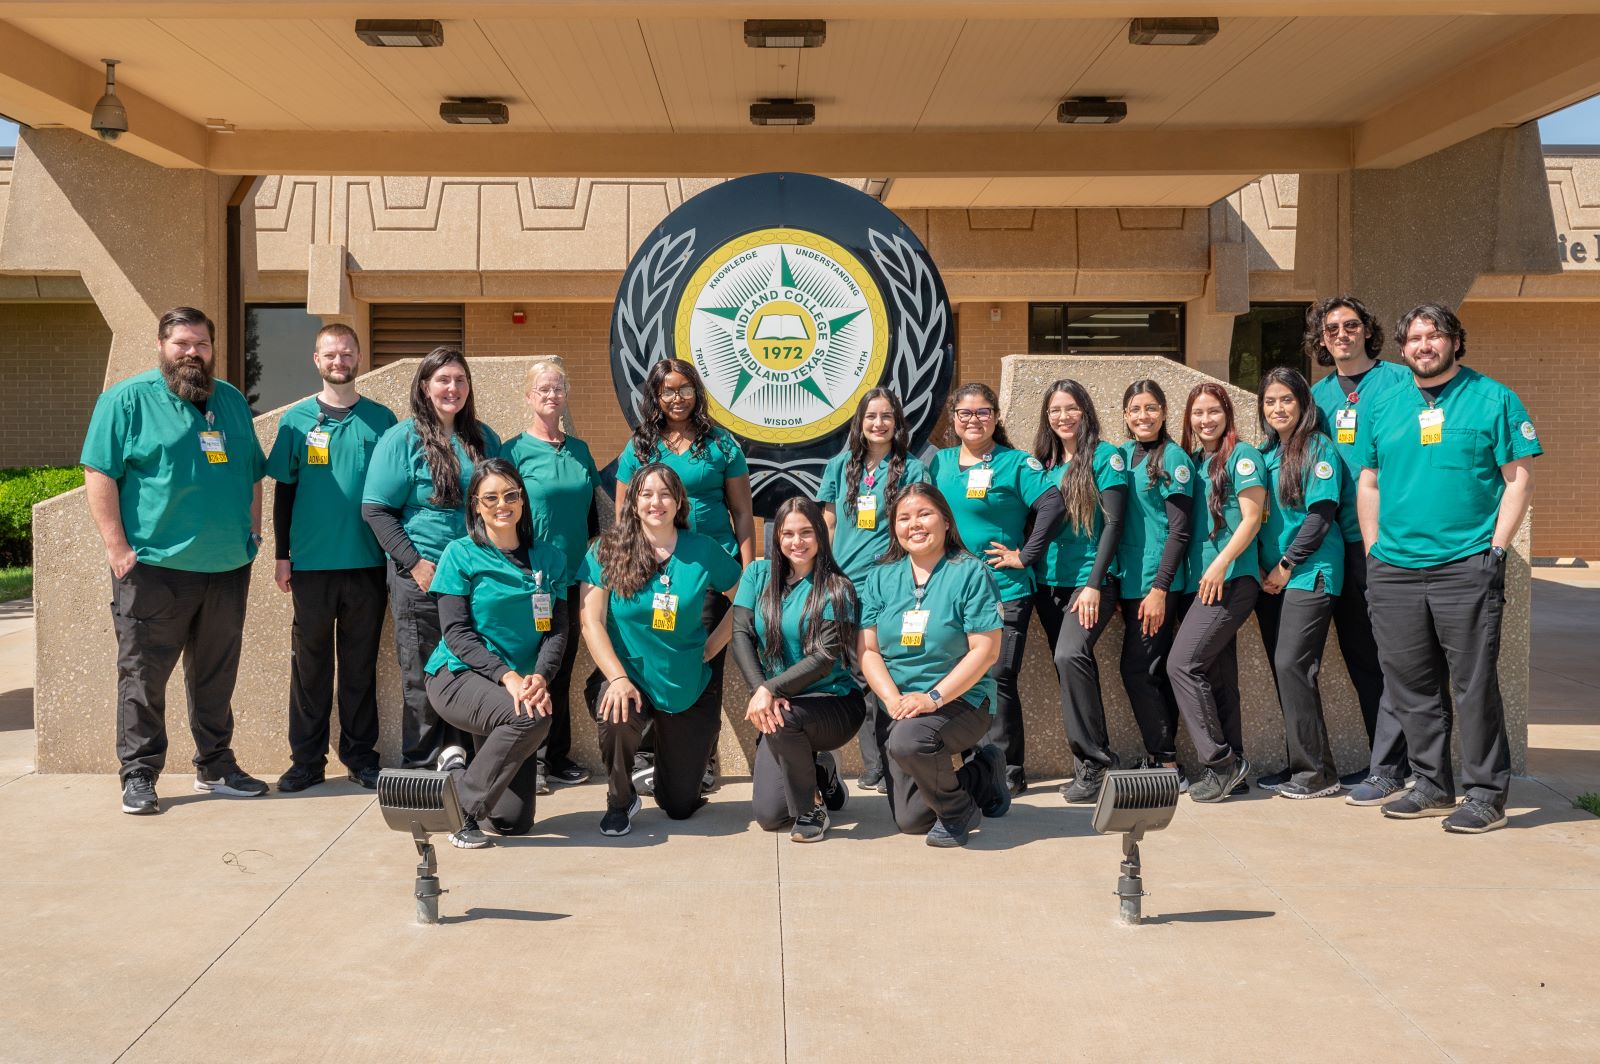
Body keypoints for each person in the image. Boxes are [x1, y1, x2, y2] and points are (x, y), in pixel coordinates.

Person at [1358, 303, 1538, 834]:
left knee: (1473, 684)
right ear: (1402, 348)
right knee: (1411, 686)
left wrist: (1496, 550)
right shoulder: (1386, 404)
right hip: (1393, 568)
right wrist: (1373, 549)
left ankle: (1485, 795)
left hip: (1465, 565)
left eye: (1434, 335)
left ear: (1456, 341)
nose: (1423, 345)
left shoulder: (1493, 399)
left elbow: (1519, 479)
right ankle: (1432, 786)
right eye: (1413, 338)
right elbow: (1368, 481)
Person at [81, 306, 269, 814]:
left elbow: (253, 470)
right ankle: (139, 774)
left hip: (227, 567)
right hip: (154, 568)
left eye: (201, 345)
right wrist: (117, 549)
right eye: (182, 344)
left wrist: (253, 532)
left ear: (213, 348)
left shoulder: (228, 400)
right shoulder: (126, 400)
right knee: (143, 674)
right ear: (162, 346)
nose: (192, 353)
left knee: (215, 675)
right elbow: (99, 473)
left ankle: (216, 765)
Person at [614, 358, 754, 794]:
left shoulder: (721, 445)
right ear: (655, 396)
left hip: (710, 571)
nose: (677, 398)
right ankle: (651, 751)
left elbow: (743, 512)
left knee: (705, 660)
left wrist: (749, 575)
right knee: (654, 655)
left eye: (685, 388)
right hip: (651, 568)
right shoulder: (639, 447)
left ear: (698, 391)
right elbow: (623, 515)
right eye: (668, 390)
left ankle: (703, 755)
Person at [580, 464, 743, 836]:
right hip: (630, 678)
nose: (657, 502)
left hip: (684, 681)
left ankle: (667, 776)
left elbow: (745, 599)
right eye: (647, 494)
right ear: (634, 501)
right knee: (615, 714)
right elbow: (591, 622)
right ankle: (621, 799)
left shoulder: (703, 550)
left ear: (679, 501)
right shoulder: (608, 550)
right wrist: (617, 678)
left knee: (680, 807)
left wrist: (714, 644)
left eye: (666, 493)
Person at [268, 323, 397, 793]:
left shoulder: (383, 421)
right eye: (330, 354)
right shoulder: (296, 420)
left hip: (366, 564)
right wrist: (282, 555)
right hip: (311, 566)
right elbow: (285, 490)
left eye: (346, 353)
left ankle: (361, 758)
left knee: (360, 667)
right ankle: (306, 761)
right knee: (310, 667)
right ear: (316, 360)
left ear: (358, 356)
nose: (338, 361)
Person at [362, 347, 502, 770]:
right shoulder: (401, 439)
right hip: (420, 578)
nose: (452, 388)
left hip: (473, 579)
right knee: (422, 675)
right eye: (443, 380)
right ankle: (421, 764)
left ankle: (462, 756)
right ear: (425, 386)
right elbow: (376, 510)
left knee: (472, 665)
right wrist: (416, 565)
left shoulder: (485, 439)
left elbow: (501, 505)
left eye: (460, 380)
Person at [1305, 295, 1417, 802]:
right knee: (1361, 658)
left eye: (1351, 325)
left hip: (1389, 543)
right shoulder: (1317, 396)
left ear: (1367, 331)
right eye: (1331, 329)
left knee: (1395, 657)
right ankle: (1384, 762)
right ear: (1322, 339)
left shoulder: (1399, 381)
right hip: (1338, 545)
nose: (1342, 334)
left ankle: (1402, 766)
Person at [423, 460, 570, 849]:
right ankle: (460, 809)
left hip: (519, 687)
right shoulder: (460, 554)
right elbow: (456, 634)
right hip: (457, 676)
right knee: (533, 717)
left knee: (512, 822)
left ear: (522, 499)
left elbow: (557, 631)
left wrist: (540, 676)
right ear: (475, 505)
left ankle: (455, 775)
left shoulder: (549, 558)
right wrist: (508, 676)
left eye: (510, 494)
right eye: (490, 497)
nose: (502, 504)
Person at [927, 382, 1063, 796]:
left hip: (1004, 589)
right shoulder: (940, 463)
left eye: (983, 412)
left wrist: (1026, 555)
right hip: (951, 594)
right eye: (965, 413)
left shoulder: (1016, 463)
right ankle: (973, 762)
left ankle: (1008, 767)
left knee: (999, 675)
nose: (974, 420)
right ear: (953, 420)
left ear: (996, 416)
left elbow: (1053, 504)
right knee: (962, 677)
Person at [859, 483, 1012, 847]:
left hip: (962, 702)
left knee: (911, 741)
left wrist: (933, 698)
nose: (915, 524)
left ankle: (958, 812)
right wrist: (893, 698)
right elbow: (868, 651)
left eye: (924, 514)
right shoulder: (880, 577)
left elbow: (986, 651)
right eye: (904, 517)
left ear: (945, 519)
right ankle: (982, 773)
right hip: (902, 709)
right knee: (912, 819)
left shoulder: (971, 573)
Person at [1009, 379, 1129, 803]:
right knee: (1072, 668)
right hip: (1048, 584)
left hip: (1088, 583)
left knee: (1069, 654)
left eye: (1071, 407)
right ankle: (1090, 765)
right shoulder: (1042, 464)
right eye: (1055, 410)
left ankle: (1096, 763)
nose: (1063, 416)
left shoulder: (1106, 457)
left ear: (1086, 411)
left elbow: (1114, 524)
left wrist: (1095, 584)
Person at [817, 387, 929, 793]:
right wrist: (825, 575)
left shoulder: (913, 470)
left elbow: (921, 526)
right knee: (859, 676)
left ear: (898, 424)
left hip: (891, 584)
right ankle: (873, 765)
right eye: (871, 417)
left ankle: (894, 758)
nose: (878, 424)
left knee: (890, 671)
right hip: (844, 586)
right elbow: (827, 524)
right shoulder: (838, 466)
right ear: (860, 423)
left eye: (886, 417)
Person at [733, 498, 862, 842]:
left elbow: (824, 659)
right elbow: (741, 634)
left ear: (820, 535)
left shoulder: (837, 587)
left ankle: (811, 809)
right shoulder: (757, 575)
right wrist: (764, 689)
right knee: (770, 815)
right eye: (788, 533)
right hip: (779, 707)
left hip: (832, 703)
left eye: (806, 532)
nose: (797, 541)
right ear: (776, 538)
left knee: (788, 721)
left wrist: (769, 690)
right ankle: (818, 769)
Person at [502, 357, 598, 794]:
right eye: (543, 389)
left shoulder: (579, 450)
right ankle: (529, 760)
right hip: (533, 579)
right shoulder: (513, 451)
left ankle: (555, 757)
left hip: (575, 578)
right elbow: (500, 512)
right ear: (528, 397)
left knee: (561, 669)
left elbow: (594, 512)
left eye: (557, 388)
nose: (551, 396)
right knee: (533, 667)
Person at [1169, 383, 1266, 803]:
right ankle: (1237, 768)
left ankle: (1222, 762)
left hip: (1231, 580)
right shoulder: (1192, 460)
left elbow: (1252, 518)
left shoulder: (1243, 455)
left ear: (1227, 414)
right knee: (1219, 676)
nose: (1205, 420)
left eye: (1213, 411)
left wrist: (1221, 562)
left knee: (1182, 664)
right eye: (1197, 413)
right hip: (1199, 585)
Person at [1253, 368, 1343, 799]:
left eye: (1286, 399)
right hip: (1272, 581)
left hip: (1309, 572)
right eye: (1270, 401)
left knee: (1292, 664)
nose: (1278, 408)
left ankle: (1315, 775)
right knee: (1287, 671)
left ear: (1304, 403)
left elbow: (1320, 516)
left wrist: (1286, 564)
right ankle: (1306, 765)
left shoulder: (1319, 448)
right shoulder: (1267, 453)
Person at [1115, 380, 1196, 786]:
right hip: (1130, 581)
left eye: (1150, 408)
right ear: (1125, 415)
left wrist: (1160, 589)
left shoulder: (1174, 457)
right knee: (1151, 669)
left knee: (1138, 669)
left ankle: (1167, 764)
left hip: (1157, 584)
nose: (1142, 416)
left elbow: (1179, 530)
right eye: (1134, 409)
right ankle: (1161, 757)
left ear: (1164, 412)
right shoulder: (1123, 455)